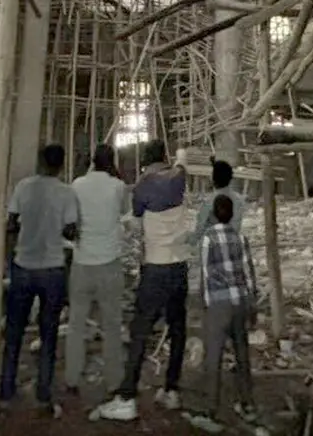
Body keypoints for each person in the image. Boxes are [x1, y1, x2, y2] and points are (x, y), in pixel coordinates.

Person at [92, 140, 188, 422]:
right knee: (178, 329)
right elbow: (183, 160)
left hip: (156, 268)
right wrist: (180, 154)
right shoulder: (179, 177)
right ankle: (171, 390)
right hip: (180, 266)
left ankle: (126, 397)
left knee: (140, 331)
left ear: (145, 162)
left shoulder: (143, 186)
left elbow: (136, 222)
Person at [1, 144, 79, 414]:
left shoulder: (23, 187)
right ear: (61, 164)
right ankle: (43, 390)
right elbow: (70, 231)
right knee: (48, 334)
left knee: (14, 333)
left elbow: (10, 223)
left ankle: (6, 387)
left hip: (24, 265)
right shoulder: (67, 193)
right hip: (53, 268)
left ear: (40, 161)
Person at [65, 143, 128, 395]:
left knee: (76, 324)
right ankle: (114, 381)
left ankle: (71, 377)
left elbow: (72, 220)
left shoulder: (77, 185)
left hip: (82, 261)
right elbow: (123, 213)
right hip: (109, 262)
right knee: (112, 325)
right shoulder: (118, 186)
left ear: (92, 160)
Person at [197, 194, 258, 424]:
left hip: (219, 304)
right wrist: (251, 305)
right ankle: (247, 404)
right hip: (240, 302)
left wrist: (205, 303)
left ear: (214, 214)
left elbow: (204, 273)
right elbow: (249, 275)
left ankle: (210, 409)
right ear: (232, 215)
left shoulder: (208, 239)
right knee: (242, 354)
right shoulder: (241, 239)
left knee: (213, 357)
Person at [191, 159, 246, 246]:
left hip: (212, 246)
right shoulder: (239, 199)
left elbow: (199, 230)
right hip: (233, 243)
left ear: (213, 179)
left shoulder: (209, 202)